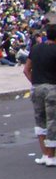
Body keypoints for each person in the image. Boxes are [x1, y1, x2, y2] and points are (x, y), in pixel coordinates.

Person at [25, 23, 56, 167]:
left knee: (40, 122)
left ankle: (44, 154)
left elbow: (26, 70)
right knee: (52, 122)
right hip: (52, 88)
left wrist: (35, 82)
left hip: (36, 88)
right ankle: (51, 156)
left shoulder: (35, 49)